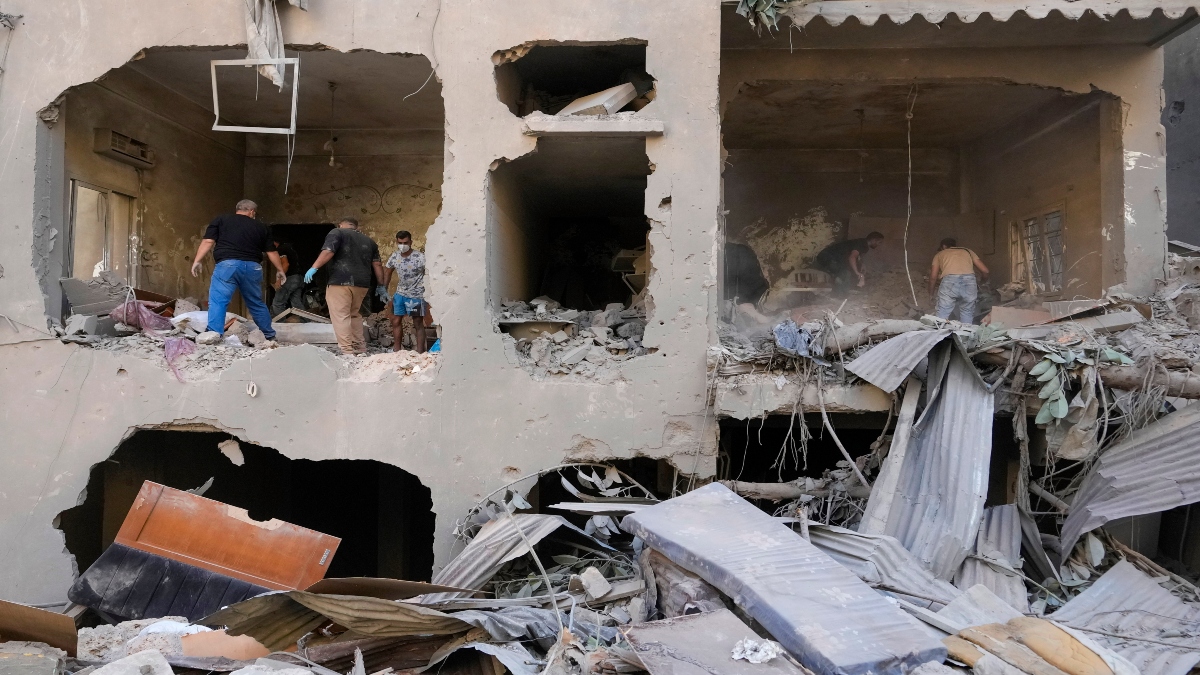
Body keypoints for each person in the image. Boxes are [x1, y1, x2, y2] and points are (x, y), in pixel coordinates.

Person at [190, 199, 286, 342]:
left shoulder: (221, 219)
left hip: (227, 266)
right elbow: (271, 251)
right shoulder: (261, 227)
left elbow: (208, 241)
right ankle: (269, 335)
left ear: (238, 209)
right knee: (256, 302)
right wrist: (280, 270)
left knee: (218, 301)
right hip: (253, 267)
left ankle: (214, 334)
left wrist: (197, 260)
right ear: (252, 211)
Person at [303, 217, 384, 355]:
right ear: (356, 227)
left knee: (341, 316)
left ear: (340, 225)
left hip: (340, 281)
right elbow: (377, 264)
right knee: (354, 315)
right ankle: (360, 348)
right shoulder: (369, 241)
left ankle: (347, 351)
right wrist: (381, 285)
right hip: (362, 284)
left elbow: (328, 250)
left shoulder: (337, 232)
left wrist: (314, 267)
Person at [382, 230, 428, 353]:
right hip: (400, 294)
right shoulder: (395, 256)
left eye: (405, 242)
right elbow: (388, 271)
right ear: (397, 242)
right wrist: (384, 289)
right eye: (400, 242)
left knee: (417, 322)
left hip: (416, 295)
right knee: (396, 320)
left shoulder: (420, 257)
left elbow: (430, 273)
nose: (403, 245)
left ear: (411, 242)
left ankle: (420, 353)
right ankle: (397, 350)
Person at [928, 237, 989, 324]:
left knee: (943, 313)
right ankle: (965, 335)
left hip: (949, 281)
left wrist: (931, 294)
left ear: (944, 246)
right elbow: (985, 271)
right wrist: (983, 282)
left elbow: (933, 277)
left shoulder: (940, 254)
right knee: (967, 312)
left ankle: (941, 335)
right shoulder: (968, 251)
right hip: (969, 281)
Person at [813, 231, 884, 296]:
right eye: (879, 242)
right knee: (845, 273)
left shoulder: (863, 244)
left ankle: (841, 293)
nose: (879, 245)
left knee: (845, 272)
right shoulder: (862, 244)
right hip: (827, 257)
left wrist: (862, 264)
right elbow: (852, 257)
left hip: (831, 258)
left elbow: (857, 256)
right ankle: (838, 296)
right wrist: (857, 272)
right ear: (874, 240)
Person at [270, 234, 304, 316]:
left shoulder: (281, 249)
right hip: (299, 278)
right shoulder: (290, 248)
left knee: (277, 303)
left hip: (290, 278)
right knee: (296, 303)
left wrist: (279, 280)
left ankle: (280, 325)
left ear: (274, 242)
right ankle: (306, 322)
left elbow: (286, 264)